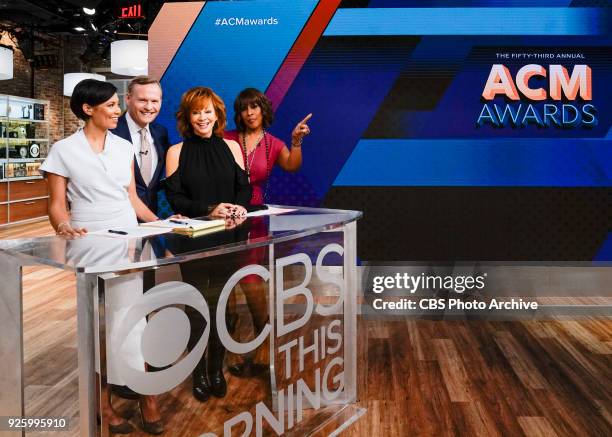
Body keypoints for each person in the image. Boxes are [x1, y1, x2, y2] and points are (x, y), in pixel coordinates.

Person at [40, 79, 164, 435]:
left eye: (116, 104)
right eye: (110, 105)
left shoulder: (124, 147)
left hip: (126, 240)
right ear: (87, 109)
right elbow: (56, 204)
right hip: (87, 241)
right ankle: (101, 404)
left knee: (133, 318)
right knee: (93, 326)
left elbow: (132, 200)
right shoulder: (63, 150)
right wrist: (62, 227)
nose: (118, 111)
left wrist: (166, 223)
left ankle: (144, 393)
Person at [165, 86, 252, 402]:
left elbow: (243, 189)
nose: (202, 117)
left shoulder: (232, 147)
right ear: (188, 117)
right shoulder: (176, 151)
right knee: (197, 307)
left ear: (217, 115)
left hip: (230, 236)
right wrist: (210, 209)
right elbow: (175, 198)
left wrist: (239, 206)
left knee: (222, 305)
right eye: (196, 112)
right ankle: (198, 372)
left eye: (208, 111)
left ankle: (216, 369)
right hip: (194, 239)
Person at [224, 88, 311, 376]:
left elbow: (291, 166)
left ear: (263, 110)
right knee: (224, 285)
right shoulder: (226, 138)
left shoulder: (272, 144)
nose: (250, 113)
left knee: (249, 280)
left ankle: (264, 337)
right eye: (245, 108)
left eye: (255, 107)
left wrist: (296, 142)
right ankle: (230, 347)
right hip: (222, 216)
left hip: (254, 218)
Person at [111, 76, 170, 215]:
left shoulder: (161, 132)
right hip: (117, 218)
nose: (149, 107)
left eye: (154, 101)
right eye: (142, 100)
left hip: (152, 217)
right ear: (128, 99)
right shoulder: (110, 132)